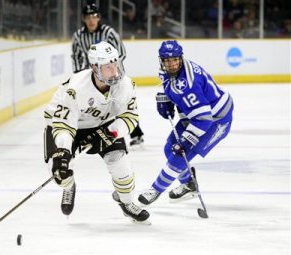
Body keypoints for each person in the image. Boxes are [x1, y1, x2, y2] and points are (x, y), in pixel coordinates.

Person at [44, 41, 150, 223]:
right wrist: (63, 151)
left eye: (115, 64)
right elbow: (63, 125)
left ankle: (126, 202)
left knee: (120, 163)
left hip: (103, 125)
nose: (114, 71)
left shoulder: (124, 84)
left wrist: (112, 133)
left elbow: (130, 117)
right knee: (59, 170)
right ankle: (69, 186)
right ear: (95, 67)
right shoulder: (75, 89)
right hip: (68, 127)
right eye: (108, 67)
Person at [138, 40, 234, 205]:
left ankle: (156, 189)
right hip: (194, 116)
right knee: (169, 147)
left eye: (175, 59)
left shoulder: (189, 83)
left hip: (216, 120)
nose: (172, 64)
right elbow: (172, 87)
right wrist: (165, 98)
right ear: (161, 61)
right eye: (167, 60)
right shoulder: (167, 72)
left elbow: (204, 118)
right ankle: (189, 184)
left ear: (180, 58)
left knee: (180, 153)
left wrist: (187, 139)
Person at [71, 3, 145, 147]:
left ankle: (136, 134)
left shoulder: (108, 32)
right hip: (93, 79)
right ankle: (90, 134)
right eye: (88, 17)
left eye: (94, 16)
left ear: (98, 17)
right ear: (83, 19)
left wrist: (108, 69)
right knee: (94, 106)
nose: (91, 20)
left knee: (121, 104)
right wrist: (82, 76)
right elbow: (76, 57)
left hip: (114, 76)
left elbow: (121, 52)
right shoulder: (79, 36)